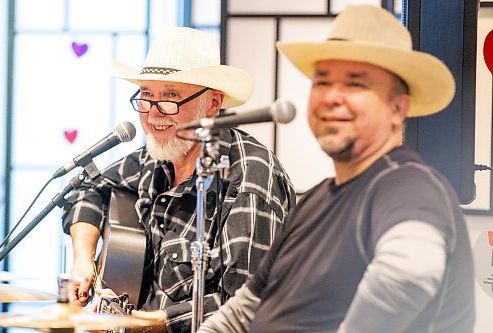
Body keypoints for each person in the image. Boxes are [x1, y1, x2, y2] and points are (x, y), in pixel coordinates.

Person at [198, 5, 475, 333]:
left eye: (355, 84)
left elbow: (410, 273)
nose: (332, 97)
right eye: (323, 82)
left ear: (397, 109)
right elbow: (244, 311)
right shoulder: (314, 202)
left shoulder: (408, 185)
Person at [61, 27, 295, 332]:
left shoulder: (249, 176)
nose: (154, 114)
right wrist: (83, 258)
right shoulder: (154, 157)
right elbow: (89, 189)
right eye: (146, 96)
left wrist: (149, 324)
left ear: (213, 103)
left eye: (171, 97)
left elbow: (247, 303)